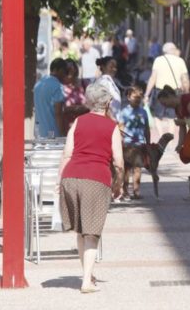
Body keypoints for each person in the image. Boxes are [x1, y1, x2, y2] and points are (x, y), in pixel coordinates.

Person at [56, 83, 125, 293]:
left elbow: (67, 154)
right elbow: (119, 162)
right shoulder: (112, 127)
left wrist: (59, 182)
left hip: (71, 178)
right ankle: (86, 281)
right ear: (108, 103)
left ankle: (88, 274)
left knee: (81, 230)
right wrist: (118, 184)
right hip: (95, 180)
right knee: (92, 232)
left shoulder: (78, 121)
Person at [144, 42, 190, 138]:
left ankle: (161, 135)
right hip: (176, 91)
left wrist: (147, 94)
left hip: (160, 91)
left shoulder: (158, 60)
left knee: (157, 115)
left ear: (164, 51)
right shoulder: (180, 61)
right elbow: (185, 79)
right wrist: (187, 93)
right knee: (173, 115)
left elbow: (153, 77)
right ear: (173, 50)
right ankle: (170, 135)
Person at [118, 86, 150, 200]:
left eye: (139, 97)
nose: (137, 99)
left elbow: (146, 128)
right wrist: (120, 143)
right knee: (127, 169)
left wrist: (148, 143)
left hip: (140, 144)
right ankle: (125, 191)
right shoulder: (124, 112)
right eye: (134, 97)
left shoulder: (144, 112)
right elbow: (120, 128)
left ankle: (136, 191)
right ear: (128, 97)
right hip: (127, 144)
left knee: (137, 168)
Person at [33, 57, 68, 138]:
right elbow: (58, 113)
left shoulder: (38, 84)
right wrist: (62, 134)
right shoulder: (57, 86)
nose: (65, 75)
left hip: (39, 133)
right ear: (56, 69)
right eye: (64, 71)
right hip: (52, 134)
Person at [62, 59, 89, 134]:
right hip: (67, 129)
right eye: (67, 70)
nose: (70, 72)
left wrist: (85, 107)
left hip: (84, 127)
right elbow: (58, 109)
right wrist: (75, 108)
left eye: (72, 69)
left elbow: (92, 103)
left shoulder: (84, 84)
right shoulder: (60, 87)